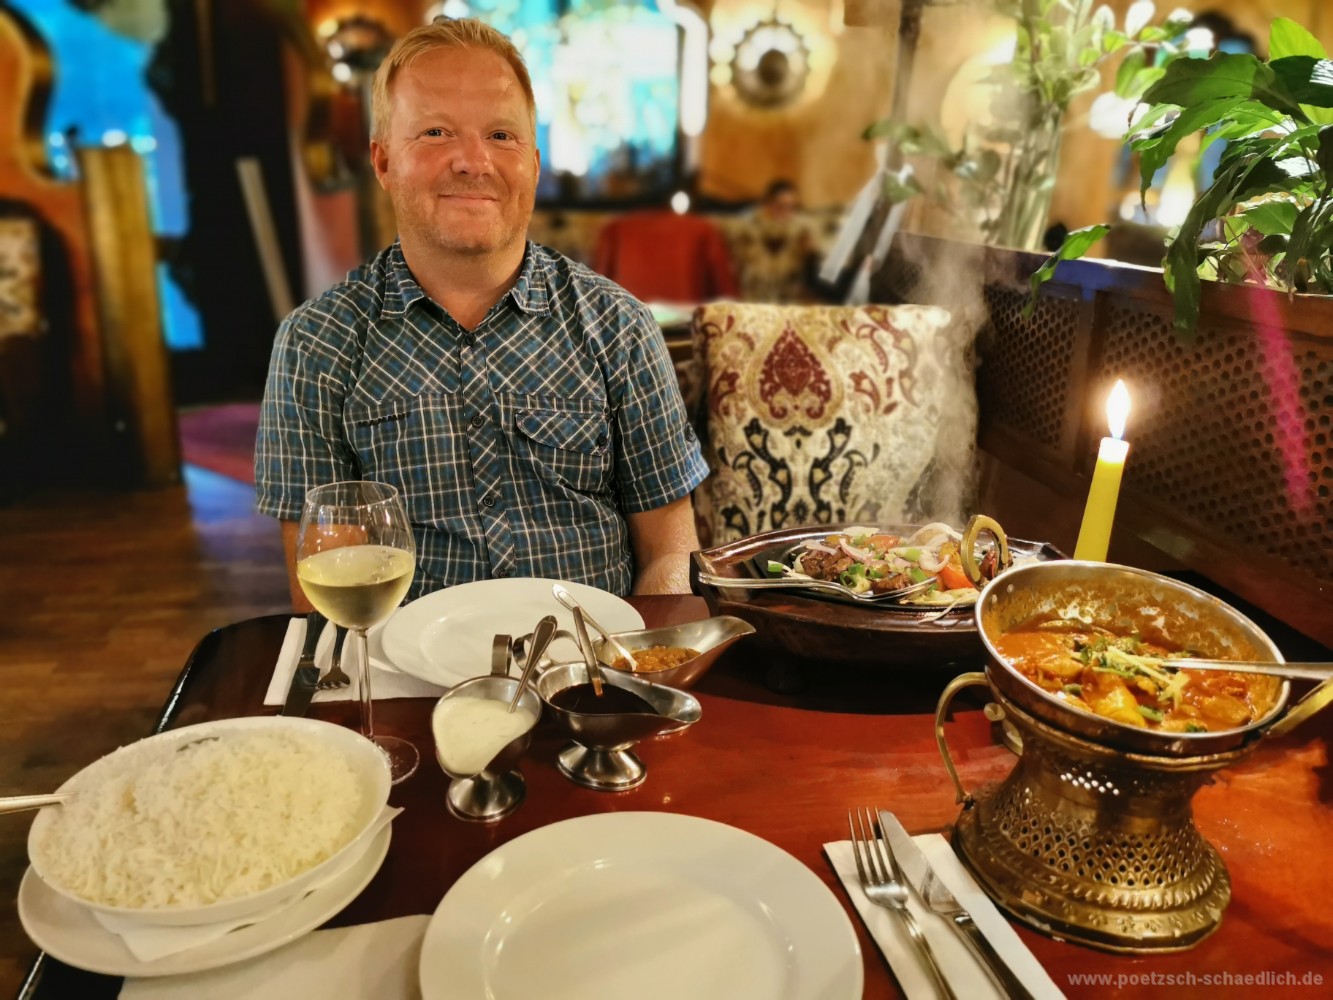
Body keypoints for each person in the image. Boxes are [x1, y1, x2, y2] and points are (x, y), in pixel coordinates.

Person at [254, 18, 709, 609]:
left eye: (500, 135)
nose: (473, 161)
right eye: (436, 132)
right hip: (404, 664)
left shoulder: (619, 326)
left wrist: (643, 654)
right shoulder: (316, 343)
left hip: (594, 658)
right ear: (383, 162)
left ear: (534, 163)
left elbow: (670, 551)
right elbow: (325, 583)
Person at [728, 178, 816, 303]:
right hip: (752, 297)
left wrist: (811, 254)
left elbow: (808, 275)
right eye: (781, 206)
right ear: (768, 203)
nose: (786, 212)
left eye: (792, 207)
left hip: (786, 299)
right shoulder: (747, 229)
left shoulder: (800, 231)